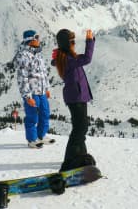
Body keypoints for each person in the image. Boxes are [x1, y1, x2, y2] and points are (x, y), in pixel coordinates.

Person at [52, 28, 97, 171]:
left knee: (81, 128)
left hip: (78, 96)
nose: (74, 44)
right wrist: (89, 41)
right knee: (79, 129)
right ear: (65, 44)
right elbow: (87, 59)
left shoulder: (67, 56)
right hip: (76, 97)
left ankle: (81, 157)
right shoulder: (68, 59)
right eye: (72, 41)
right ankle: (67, 163)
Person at [14, 30, 56, 149]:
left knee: (45, 113)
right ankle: (32, 140)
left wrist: (47, 88)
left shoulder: (38, 54)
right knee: (32, 116)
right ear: (30, 39)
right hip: (32, 93)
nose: (39, 39)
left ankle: (41, 136)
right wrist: (27, 96)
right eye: (36, 37)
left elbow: (43, 74)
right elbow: (22, 77)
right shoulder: (23, 56)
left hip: (42, 91)